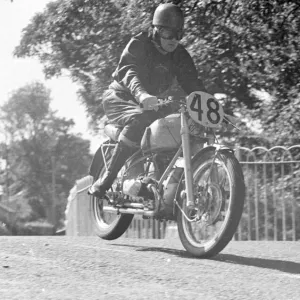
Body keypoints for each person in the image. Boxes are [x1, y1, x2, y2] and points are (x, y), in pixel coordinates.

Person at [88, 3, 206, 198]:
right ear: (156, 30)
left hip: (152, 102)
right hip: (121, 96)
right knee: (140, 118)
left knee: (174, 126)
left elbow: (193, 83)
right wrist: (141, 94)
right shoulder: (140, 44)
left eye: (179, 34)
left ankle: (155, 180)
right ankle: (107, 178)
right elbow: (128, 71)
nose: (174, 40)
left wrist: (214, 107)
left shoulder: (180, 55)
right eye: (169, 34)